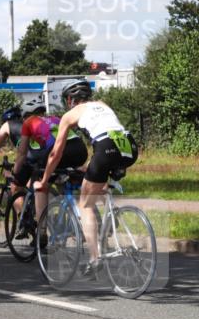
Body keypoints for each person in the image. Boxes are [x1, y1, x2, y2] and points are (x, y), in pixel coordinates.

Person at [34, 80, 138, 272]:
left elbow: (56, 153)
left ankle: (94, 258)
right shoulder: (103, 105)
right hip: (129, 147)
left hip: (106, 149)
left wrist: (44, 179)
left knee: (85, 204)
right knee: (98, 183)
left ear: (71, 99)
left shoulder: (70, 114)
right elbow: (107, 132)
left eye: (67, 100)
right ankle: (110, 217)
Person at [14, 94, 88, 236]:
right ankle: (72, 208)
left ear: (26, 116)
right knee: (66, 177)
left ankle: (41, 234)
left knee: (40, 183)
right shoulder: (55, 118)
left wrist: (16, 174)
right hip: (80, 149)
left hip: (59, 150)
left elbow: (22, 153)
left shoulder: (28, 123)